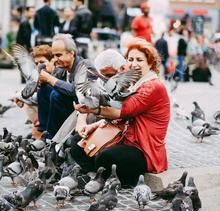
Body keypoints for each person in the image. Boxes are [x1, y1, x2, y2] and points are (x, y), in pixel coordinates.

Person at [73, 38, 170, 186]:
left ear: (150, 63)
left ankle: (104, 178)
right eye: (130, 59)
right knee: (77, 145)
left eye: (139, 60)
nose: (134, 63)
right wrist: (94, 125)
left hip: (144, 150)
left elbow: (122, 111)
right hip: (125, 139)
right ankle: (96, 176)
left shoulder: (153, 87)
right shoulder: (134, 83)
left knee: (105, 157)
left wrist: (92, 109)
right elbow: (121, 118)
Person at [37, 34, 95, 139]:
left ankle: (51, 137)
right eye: (53, 56)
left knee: (56, 95)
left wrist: (50, 79)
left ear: (71, 53)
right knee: (44, 89)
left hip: (83, 111)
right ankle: (44, 130)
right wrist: (22, 96)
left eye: (58, 55)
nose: (55, 59)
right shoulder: (61, 68)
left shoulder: (84, 66)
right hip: (69, 107)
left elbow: (77, 90)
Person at [14, 44, 55, 139]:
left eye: (42, 62)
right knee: (28, 101)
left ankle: (41, 128)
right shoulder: (38, 75)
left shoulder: (57, 74)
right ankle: (39, 127)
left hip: (59, 115)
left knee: (36, 96)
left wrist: (19, 96)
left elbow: (39, 97)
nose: (39, 66)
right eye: (36, 63)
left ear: (52, 61)